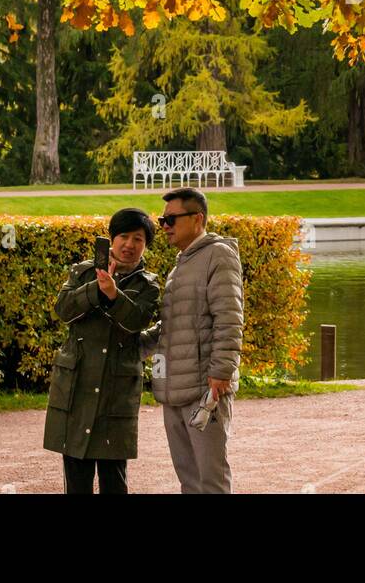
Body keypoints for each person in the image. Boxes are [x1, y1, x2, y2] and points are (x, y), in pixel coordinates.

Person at [43, 207, 160, 494]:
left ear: (145, 245)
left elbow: (137, 321)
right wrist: (96, 287)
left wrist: (113, 294)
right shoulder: (82, 272)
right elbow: (63, 310)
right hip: (77, 385)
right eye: (123, 236)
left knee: (114, 480)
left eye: (138, 239)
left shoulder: (149, 285)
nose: (130, 245)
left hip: (116, 390)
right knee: (77, 479)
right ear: (111, 238)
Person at [140, 186, 244, 494]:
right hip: (175, 390)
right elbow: (172, 325)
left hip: (204, 390)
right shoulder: (181, 263)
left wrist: (222, 372)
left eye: (171, 219)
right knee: (189, 480)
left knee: (210, 479)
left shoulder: (218, 254)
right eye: (162, 220)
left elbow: (229, 316)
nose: (165, 226)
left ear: (197, 218)